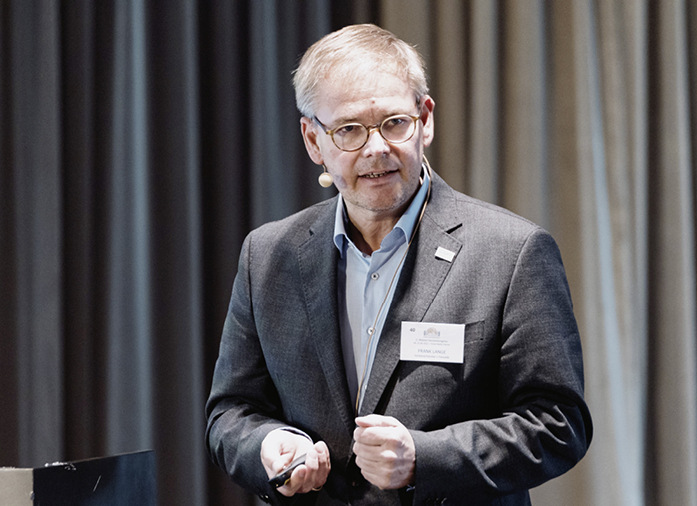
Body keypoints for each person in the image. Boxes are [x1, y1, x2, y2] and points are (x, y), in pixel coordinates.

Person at [206, 23, 592, 505]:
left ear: (425, 120)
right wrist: (267, 446)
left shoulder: (512, 252)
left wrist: (423, 458)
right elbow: (230, 413)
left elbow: (559, 424)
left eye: (393, 123)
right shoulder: (266, 256)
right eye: (348, 130)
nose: (375, 149)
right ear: (312, 140)